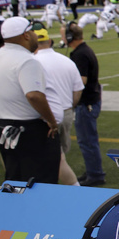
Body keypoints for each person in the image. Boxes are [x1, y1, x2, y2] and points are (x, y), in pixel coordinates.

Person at [0, 17, 60, 184]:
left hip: (2, 125)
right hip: (29, 130)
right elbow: (34, 95)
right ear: (26, 35)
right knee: (40, 182)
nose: (36, 35)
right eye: (33, 32)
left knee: (15, 180)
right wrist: (51, 121)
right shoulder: (27, 60)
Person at [34, 26, 83, 186]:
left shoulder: (32, 63)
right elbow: (78, 90)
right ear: (50, 41)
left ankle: (75, 192)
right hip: (66, 111)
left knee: (56, 159)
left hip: (45, 116)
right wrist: (69, 107)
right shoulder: (66, 60)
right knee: (61, 155)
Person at [67, 23, 106, 187]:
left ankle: (95, 174)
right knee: (88, 140)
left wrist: (73, 101)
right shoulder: (84, 50)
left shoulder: (80, 54)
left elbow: (81, 81)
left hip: (87, 103)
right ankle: (93, 171)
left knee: (87, 140)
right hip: (91, 100)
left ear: (70, 37)